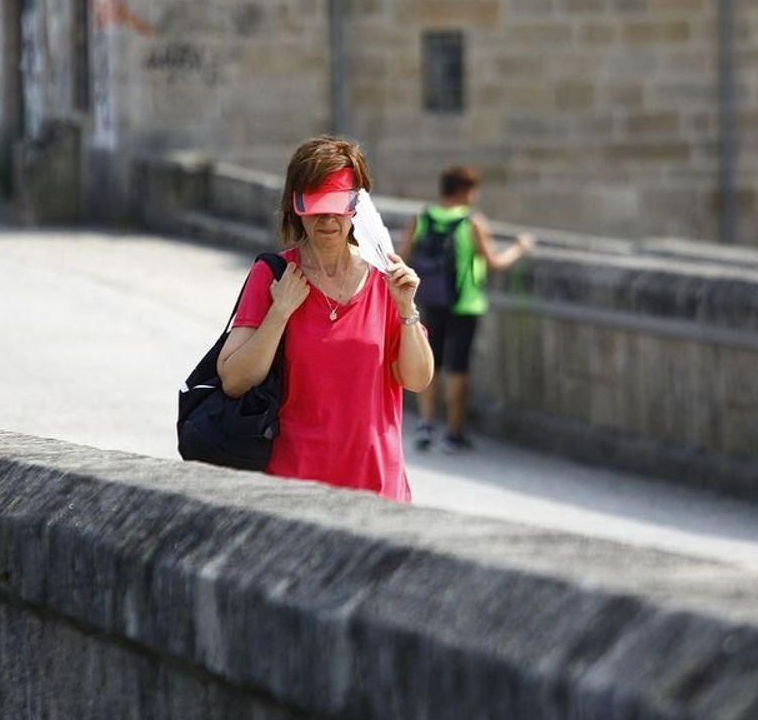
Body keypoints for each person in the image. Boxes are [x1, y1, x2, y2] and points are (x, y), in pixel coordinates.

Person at [216, 136, 433, 501]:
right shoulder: (273, 274)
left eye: (337, 208)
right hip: (294, 491)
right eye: (316, 208)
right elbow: (233, 380)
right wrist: (280, 312)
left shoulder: (385, 277)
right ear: (296, 207)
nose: (328, 219)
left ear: (357, 208)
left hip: (378, 491)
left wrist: (406, 308)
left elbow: (417, 379)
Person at [401, 165, 535, 453]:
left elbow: (401, 257)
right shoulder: (472, 222)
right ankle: (453, 433)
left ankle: (425, 424)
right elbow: (495, 263)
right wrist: (520, 247)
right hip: (465, 304)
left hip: (430, 300)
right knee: (458, 368)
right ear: (464, 191)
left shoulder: (422, 217)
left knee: (431, 363)